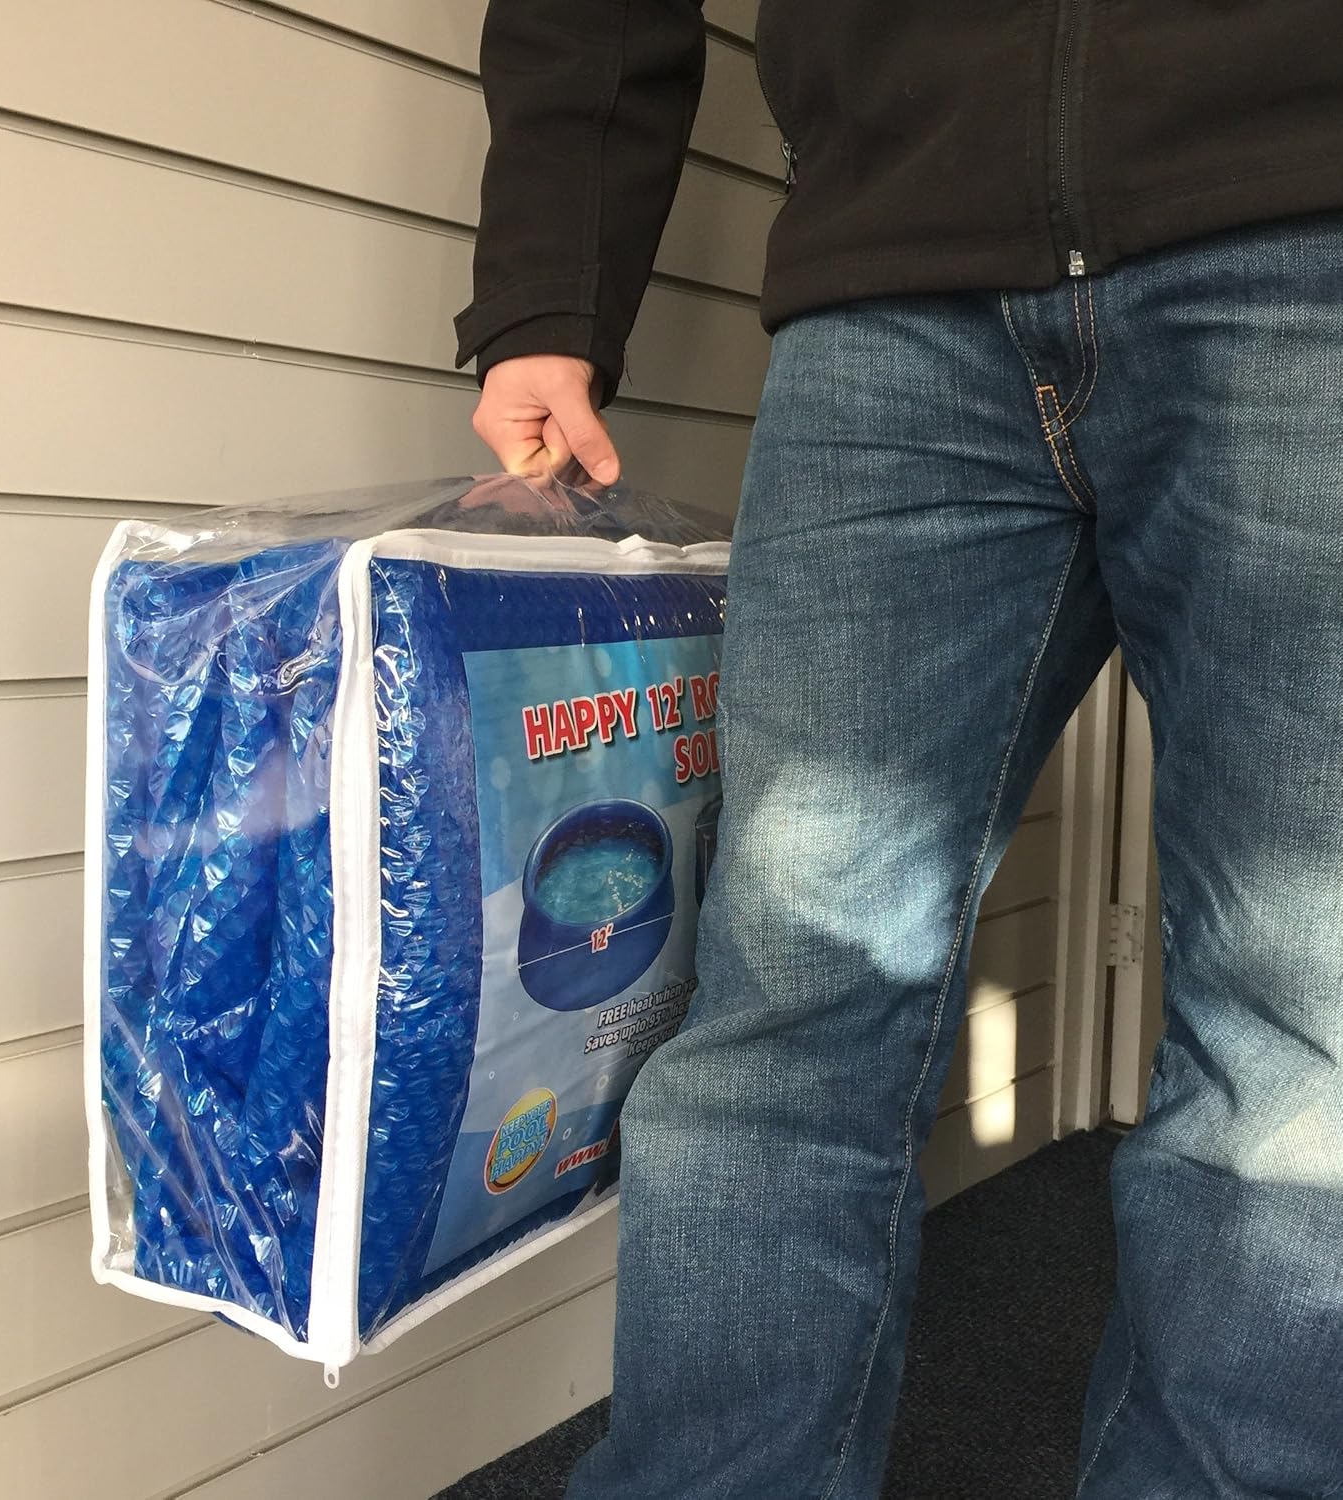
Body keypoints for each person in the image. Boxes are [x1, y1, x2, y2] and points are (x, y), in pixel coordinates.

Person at [452, 4, 1343, 1496]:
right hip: (896, 279)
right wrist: (552, 290)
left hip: (1304, 225)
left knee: (1307, 1042)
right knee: (786, 1016)